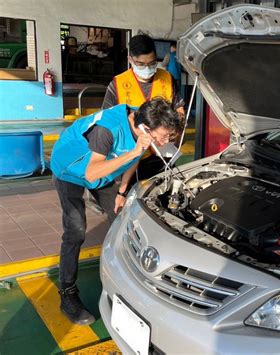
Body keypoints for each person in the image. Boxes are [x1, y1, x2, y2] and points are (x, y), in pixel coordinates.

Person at [50, 97, 182, 325]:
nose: (166, 141)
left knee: (123, 224)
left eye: (170, 137)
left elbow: (134, 160)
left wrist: (121, 191)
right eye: (164, 137)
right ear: (145, 130)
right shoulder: (107, 130)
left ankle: (124, 285)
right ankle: (67, 293)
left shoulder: (142, 125)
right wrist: (134, 151)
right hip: (70, 169)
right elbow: (92, 174)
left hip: (106, 169)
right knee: (76, 230)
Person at [102, 33, 185, 181]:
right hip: (131, 156)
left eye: (152, 63)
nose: (147, 68)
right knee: (131, 197)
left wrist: (173, 137)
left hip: (163, 154)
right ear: (130, 60)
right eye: (141, 64)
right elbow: (107, 122)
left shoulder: (167, 79)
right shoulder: (118, 84)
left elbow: (179, 112)